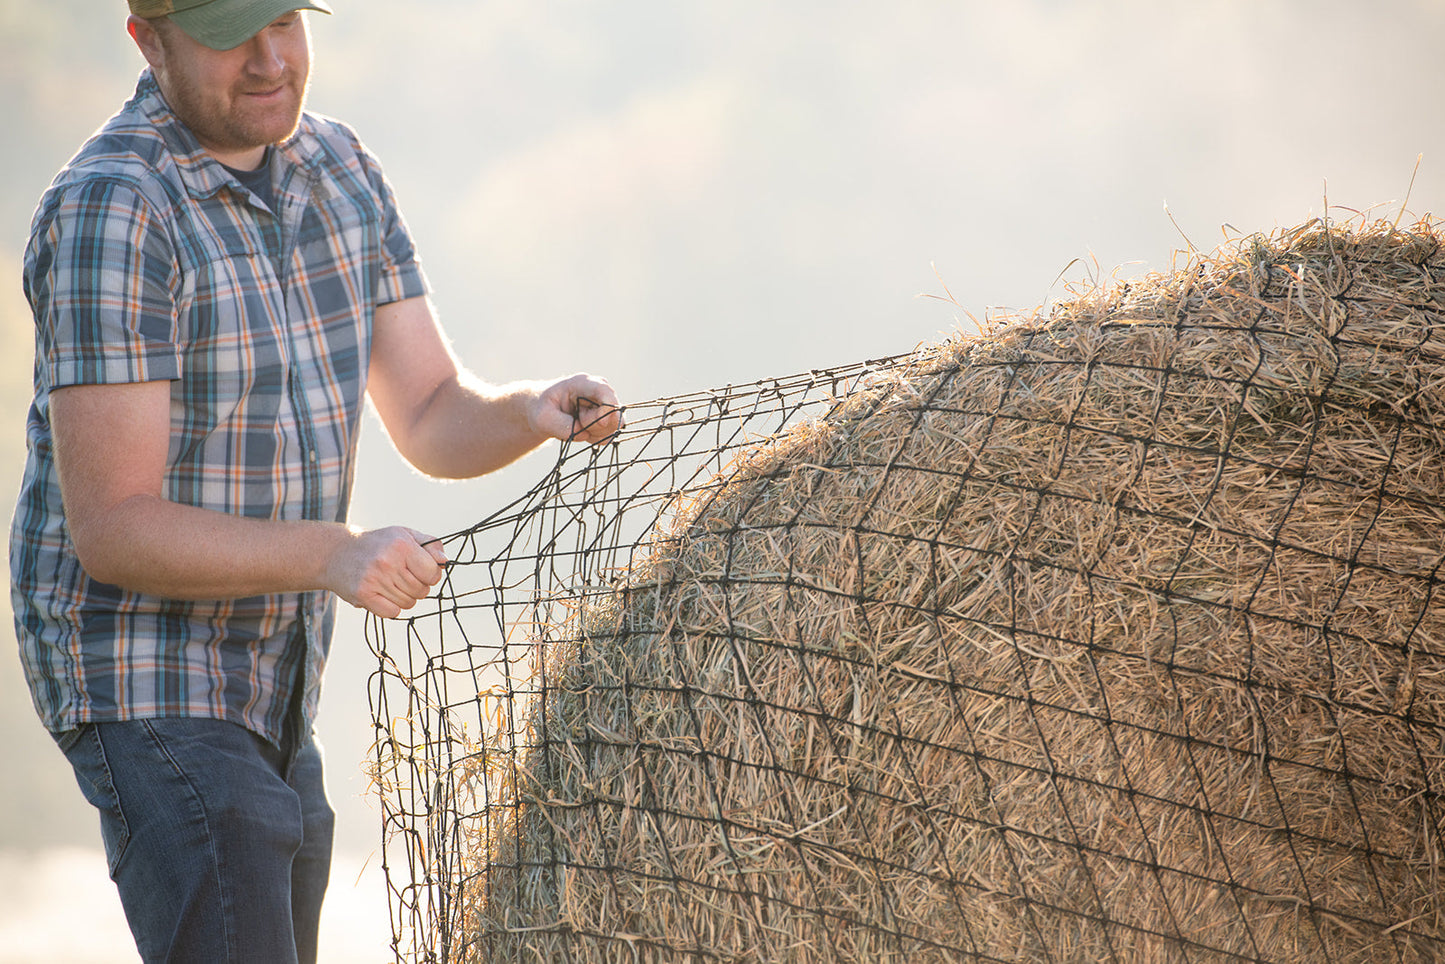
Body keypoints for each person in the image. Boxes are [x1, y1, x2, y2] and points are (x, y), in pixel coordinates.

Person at [8, 1, 622, 961]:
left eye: (285, 20)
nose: (269, 58)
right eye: (228, 33)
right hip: (137, 663)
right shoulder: (113, 207)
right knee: (240, 861)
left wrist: (527, 411)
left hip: (277, 673)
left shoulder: (339, 166)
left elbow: (429, 410)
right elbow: (115, 526)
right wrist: (336, 554)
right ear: (149, 40)